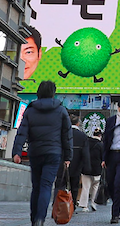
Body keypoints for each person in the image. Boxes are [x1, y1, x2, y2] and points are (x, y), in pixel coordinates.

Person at [12, 80, 72, 226]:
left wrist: (17, 152)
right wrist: (68, 156)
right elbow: (67, 135)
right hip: (53, 153)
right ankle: (40, 219)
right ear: (53, 92)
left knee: (36, 187)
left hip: (35, 152)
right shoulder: (61, 110)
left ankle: (34, 219)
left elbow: (21, 132)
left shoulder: (31, 110)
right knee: (46, 186)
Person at [57, 113, 90, 210]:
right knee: (74, 186)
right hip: (77, 164)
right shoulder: (83, 136)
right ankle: (72, 205)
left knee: (61, 184)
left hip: (62, 163)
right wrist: (86, 167)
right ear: (78, 123)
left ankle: (58, 203)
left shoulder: (63, 133)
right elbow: (85, 153)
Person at [79, 128, 104, 212]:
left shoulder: (87, 142)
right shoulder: (101, 145)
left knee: (85, 187)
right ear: (100, 135)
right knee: (95, 187)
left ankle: (84, 205)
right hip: (97, 170)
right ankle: (93, 203)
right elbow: (103, 158)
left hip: (86, 168)